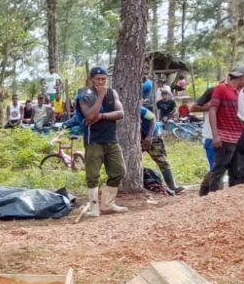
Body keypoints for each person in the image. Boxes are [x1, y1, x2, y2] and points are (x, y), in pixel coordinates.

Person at [77, 66, 128, 217]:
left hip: (111, 138)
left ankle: (107, 203)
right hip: (93, 139)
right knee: (92, 175)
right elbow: (89, 116)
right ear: (91, 79)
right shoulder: (84, 93)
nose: (101, 82)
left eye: (103, 79)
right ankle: (94, 208)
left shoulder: (112, 93)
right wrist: (99, 97)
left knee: (119, 171)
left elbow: (120, 113)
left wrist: (103, 116)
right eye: (98, 79)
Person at [201, 65, 244, 195]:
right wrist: (216, 135)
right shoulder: (221, 88)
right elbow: (213, 110)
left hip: (237, 138)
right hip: (225, 137)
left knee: (236, 171)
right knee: (218, 170)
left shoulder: (239, 92)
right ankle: (212, 197)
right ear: (243, 77)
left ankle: (231, 198)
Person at [140, 106, 182, 193]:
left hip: (153, 136)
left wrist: (149, 136)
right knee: (132, 161)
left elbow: (152, 118)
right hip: (137, 139)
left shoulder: (140, 109)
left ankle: (172, 186)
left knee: (162, 161)